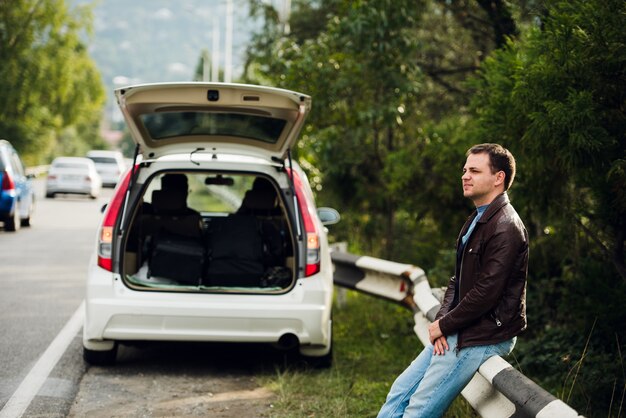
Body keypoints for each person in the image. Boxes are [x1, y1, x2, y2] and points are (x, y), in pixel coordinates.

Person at [377, 143, 529, 418]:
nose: (465, 175)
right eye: (464, 170)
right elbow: (458, 281)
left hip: (484, 334)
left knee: (418, 410)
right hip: (464, 327)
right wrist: (442, 324)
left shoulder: (506, 226)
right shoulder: (478, 218)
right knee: (400, 392)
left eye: (474, 170)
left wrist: (445, 325)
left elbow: (486, 293)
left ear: (499, 178)